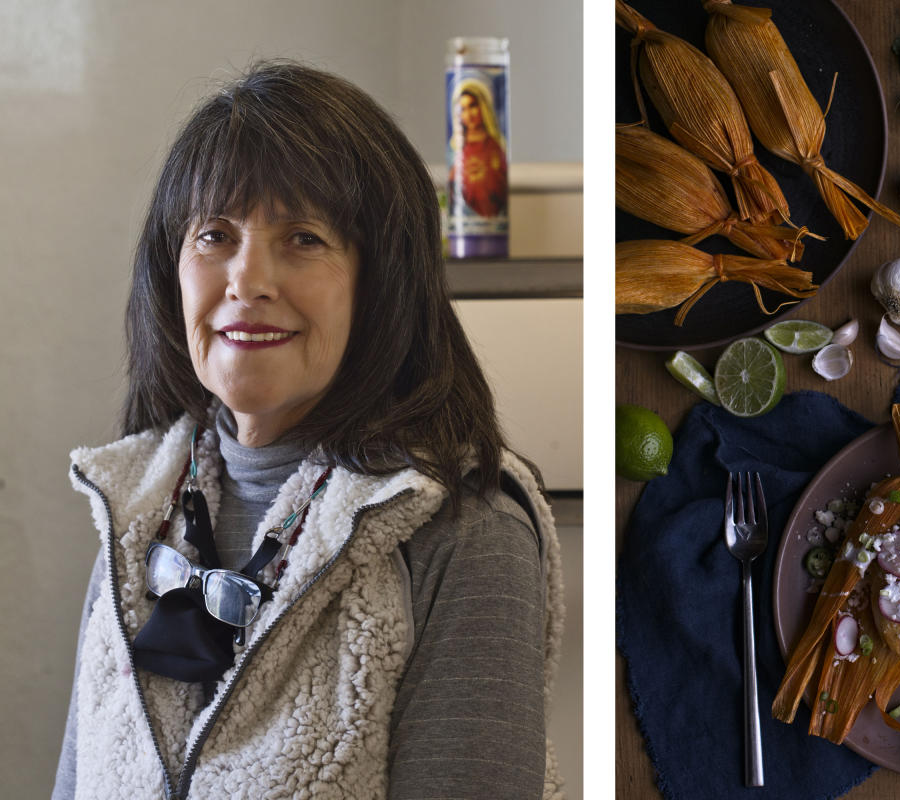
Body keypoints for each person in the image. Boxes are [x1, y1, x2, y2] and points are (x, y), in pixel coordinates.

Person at [52, 60, 565, 800]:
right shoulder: (131, 511)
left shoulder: (467, 532)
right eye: (215, 235)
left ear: (382, 282)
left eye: (304, 239)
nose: (247, 280)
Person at [448, 80, 509, 218]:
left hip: (493, 226)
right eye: (462, 109)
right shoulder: (454, 148)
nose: (469, 115)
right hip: (464, 224)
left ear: (482, 106)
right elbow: (452, 190)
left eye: (473, 106)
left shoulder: (495, 146)